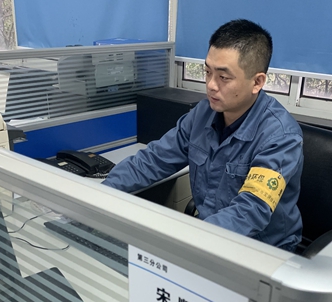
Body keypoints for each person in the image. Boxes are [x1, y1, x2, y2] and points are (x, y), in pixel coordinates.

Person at [103, 19, 303, 251]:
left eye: (223, 77)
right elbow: (153, 159)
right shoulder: (203, 113)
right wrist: (99, 193)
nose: (210, 85)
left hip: (262, 251)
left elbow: (250, 211)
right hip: (208, 237)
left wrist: (191, 241)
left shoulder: (280, 136)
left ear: (257, 82)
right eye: (207, 72)